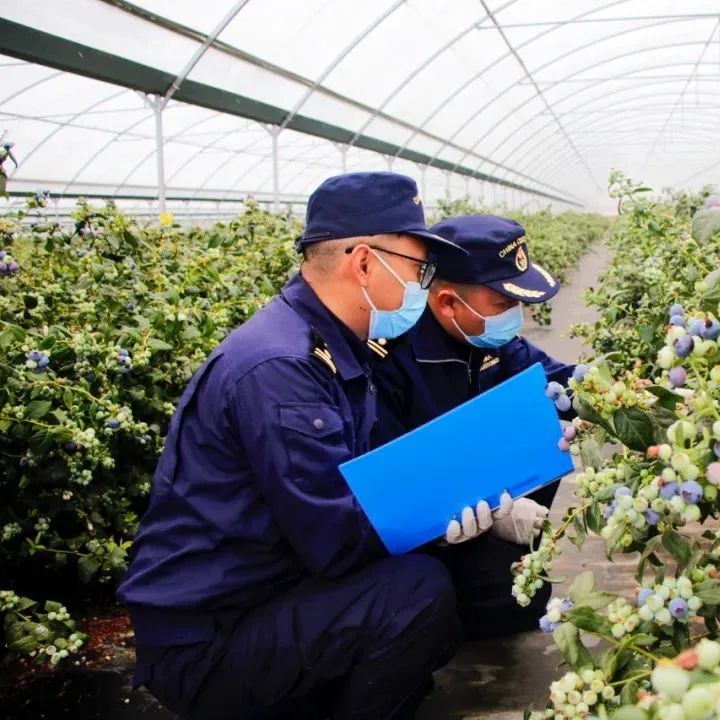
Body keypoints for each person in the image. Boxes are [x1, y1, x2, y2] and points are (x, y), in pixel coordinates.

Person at [114, 172, 506, 720]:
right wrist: (445, 511)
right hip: (212, 638)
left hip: (263, 594)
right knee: (415, 595)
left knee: (453, 585)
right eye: (419, 270)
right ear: (365, 262)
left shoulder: (334, 346)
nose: (422, 284)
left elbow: (368, 473)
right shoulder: (281, 368)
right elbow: (338, 538)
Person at [368, 214, 579, 641]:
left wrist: (625, 392)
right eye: (502, 305)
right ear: (447, 303)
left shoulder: (492, 338)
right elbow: (386, 486)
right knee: (451, 605)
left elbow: (559, 383)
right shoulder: (392, 358)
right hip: (424, 531)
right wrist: (458, 517)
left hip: (480, 504)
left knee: (524, 599)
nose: (514, 316)